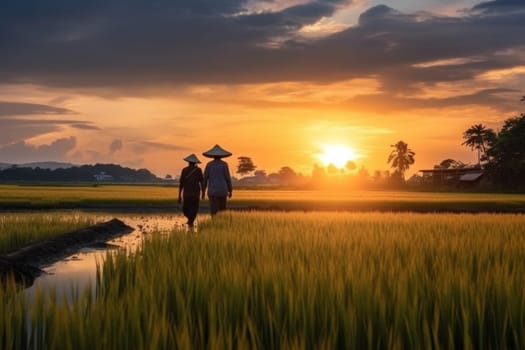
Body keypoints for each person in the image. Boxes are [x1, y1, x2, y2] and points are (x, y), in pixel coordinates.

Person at [202, 144, 233, 216]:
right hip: (223, 190)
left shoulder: (209, 165)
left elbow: (205, 179)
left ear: (213, 156)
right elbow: (228, 178)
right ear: (221, 156)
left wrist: (203, 191)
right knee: (222, 211)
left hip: (213, 191)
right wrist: (230, 190)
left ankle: (214, 224)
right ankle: (221, 224)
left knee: (214, 211)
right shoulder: (224, 164)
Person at [178, 153, 204, 227]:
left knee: (186, 209)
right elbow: (182, 182)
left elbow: (181, 184)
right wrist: (203, 193)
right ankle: (191, 221)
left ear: (188, 162)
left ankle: (190, 222)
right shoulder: (185, 170)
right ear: (195, 162)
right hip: (191, 193)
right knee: (191, 209)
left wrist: (179, 195)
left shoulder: (197, 170)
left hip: (190, 193)